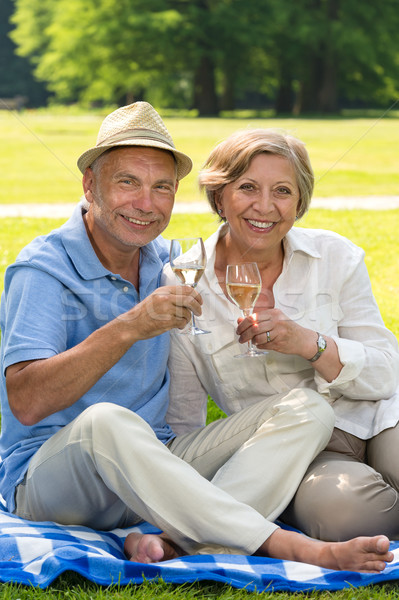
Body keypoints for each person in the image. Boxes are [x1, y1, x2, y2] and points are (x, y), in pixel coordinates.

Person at [0, 104, 393, 573]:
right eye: (128, 182)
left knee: (309, 408)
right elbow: (25, 401)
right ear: (90, 183)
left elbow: (183, 415)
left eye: (161, 187)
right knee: (108, 421)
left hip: (157, 468)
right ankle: (289, 547)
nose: (145, 203)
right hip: (58, 478)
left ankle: (178, 542)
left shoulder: (168, 264)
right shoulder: (43, 270)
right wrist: (130, 325)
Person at [163, 127, 399, 544]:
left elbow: (387, 374)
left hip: (379, 417)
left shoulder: (335, 256)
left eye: (283, 191)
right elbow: (185, 421)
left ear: (300, 202)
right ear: (220, 197)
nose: (265, 207)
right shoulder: (185, 278)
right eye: (247, 188)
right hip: (300, 452)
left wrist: (310, 343)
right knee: (347, 519)